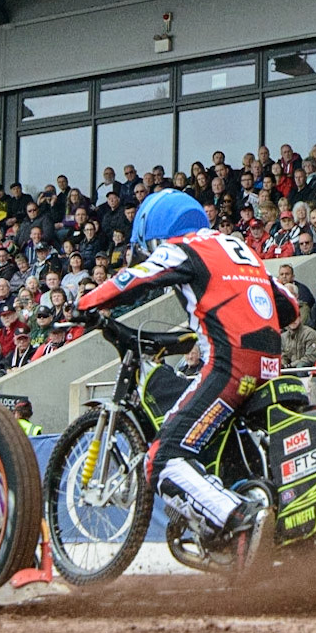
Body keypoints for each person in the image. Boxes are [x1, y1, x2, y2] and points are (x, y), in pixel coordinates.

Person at [78, 189, 297, 571]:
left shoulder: (181, 246)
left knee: (163, 458)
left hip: (230, 364)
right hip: (270, 364)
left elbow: (137, 278)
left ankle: (239, 518)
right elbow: (290, 307)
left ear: (155, 232)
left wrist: (86, 303)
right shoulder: (237, 248)